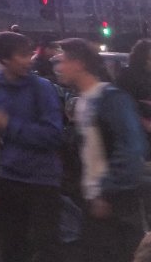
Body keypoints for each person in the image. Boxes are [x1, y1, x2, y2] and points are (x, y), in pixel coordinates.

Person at [0, 31, 64, 262]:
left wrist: (9, 125)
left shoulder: (42, 88)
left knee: (46, 249)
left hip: (43, 181)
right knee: (12, 249)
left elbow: (53, 135)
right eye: (22, 55)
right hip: (10, 179)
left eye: (28, 54)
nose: (28, 60)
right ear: (4, 60)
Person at [54, 38, 147, 261]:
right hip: (95, 201)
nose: (58, 68)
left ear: (79, 64)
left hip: (115, 203)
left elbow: (132, 149)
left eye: (63, 61)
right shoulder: (85, 101)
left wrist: (106, 191)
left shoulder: (111, 99)